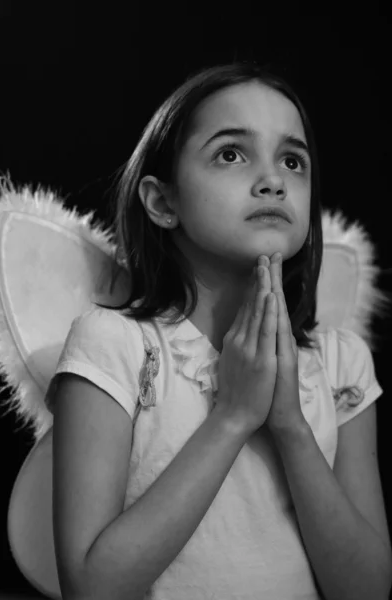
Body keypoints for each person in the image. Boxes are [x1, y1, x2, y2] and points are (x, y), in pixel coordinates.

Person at [46, 61, 392, 599]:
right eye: (231, 154)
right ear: (163, 203)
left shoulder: (343, 363)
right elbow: (92, 588)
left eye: (293, 161)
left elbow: (367, 589)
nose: (274, 180)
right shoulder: (114, 346)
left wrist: (291, 426)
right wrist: (232, 418)